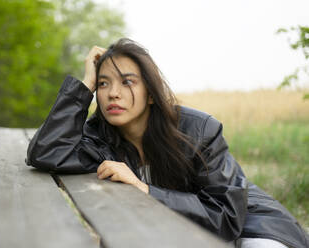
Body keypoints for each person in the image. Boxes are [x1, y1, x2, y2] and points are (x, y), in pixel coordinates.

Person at [26, 38, 309, 248]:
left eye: (127, 82)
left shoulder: (198, 129)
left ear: (151, 93)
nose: (113, 93)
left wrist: (145, 189)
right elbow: (45, 152)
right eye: (103, 84)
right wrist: (85, 83)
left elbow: (225, 215)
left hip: (250, 224)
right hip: (185, 232)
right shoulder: (101, 136)